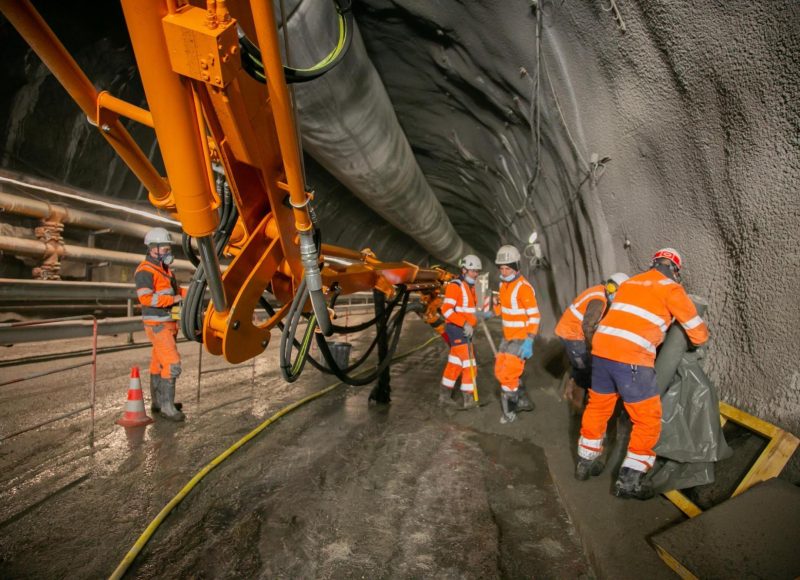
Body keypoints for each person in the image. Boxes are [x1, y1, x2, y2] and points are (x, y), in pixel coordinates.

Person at [575, 248, 709, 499]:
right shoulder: (671, 289)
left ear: (653, 263)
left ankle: (585, 462)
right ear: (675, 270)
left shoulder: (630, 283)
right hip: (631, 359)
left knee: (599, 407)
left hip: (602, 351)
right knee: (647, 419)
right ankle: (629, 480)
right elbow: (696, 329)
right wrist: (699, 341)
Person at [555, 273, 629, 413]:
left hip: (570, 331)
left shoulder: (600, 291)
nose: (612, 292)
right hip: (572, 335)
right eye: (613, 289)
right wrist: (597, 346)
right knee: (585, 369)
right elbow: (588, 326)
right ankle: (576, 406)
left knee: (579, 366)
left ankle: (567, 392)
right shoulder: (599, 300)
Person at [135, 227, 185, 421]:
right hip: (157, 324)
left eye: (168, 249)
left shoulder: (165, 271)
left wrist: (191, 294)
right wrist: (172, 301)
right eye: (164, 249)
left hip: (167, 322)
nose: (167, 252)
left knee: (158, 363)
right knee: (172, 364)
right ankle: (167, 407)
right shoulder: (145, 271)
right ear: (152, 249)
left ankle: (158, 403)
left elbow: (176, 291)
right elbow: (146, 299)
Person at [493, 245, 538, 424]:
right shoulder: (503, 285)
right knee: (499, 371)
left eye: (508, 268)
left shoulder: (523, 288)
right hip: (507, 337)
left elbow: (534, 316)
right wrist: (494, 305)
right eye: (502, 268)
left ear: (516, 266)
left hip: (520, 339)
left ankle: (509, 411)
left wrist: (529, 341)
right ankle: (522, 400)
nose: (504, 271)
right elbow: (502, 309)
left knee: (508, 376)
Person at [439, 255, 486, 409]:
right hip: (457, 329)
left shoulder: (470, 287)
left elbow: (469, 309)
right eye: (473, 271)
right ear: (464, 270)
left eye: (477, 271)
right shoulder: (455, 286)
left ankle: (444, 397)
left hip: (463, 329)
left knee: (455, 363)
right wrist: (465, 323)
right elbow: (446, 310)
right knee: (470, 363)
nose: (476, 274)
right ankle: (469, 399)